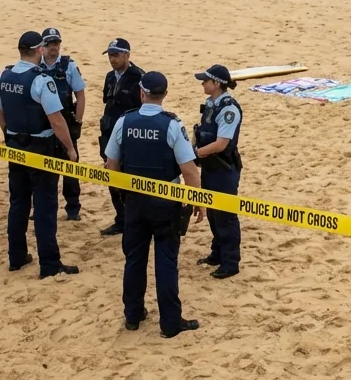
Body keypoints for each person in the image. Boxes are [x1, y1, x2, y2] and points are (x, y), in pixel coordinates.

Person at [105, 71, 205, 337]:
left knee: (134, 259)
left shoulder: (124, 122)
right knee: (166, 261)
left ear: (141, 93)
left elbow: (111, 164)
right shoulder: (172, 125)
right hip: (165, 202)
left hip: (134, 201)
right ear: (165, 95)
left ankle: (133, 315)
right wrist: (197, 201)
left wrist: (123, 192)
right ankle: (170, 323)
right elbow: (189, 170)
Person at [0, 31, 79, 278]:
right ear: (40, 49)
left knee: (18, 203)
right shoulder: (41, 80)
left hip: (15, 145)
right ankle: (49, 263)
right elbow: (57, 121)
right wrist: (70, 148)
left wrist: (10, 134)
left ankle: (16, 256)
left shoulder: (4, 76)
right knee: (44, 206)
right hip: (40, 148)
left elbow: (0, 113)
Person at [193, 64, 243, 279]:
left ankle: (230, 262)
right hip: (210, 167)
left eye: (205, 81)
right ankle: (218, 253)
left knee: (225, 216)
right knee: (213, 214)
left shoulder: (229, 109)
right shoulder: (211, 104)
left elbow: (221, 144)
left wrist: (196, 153)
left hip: (224, 168)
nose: (203, 84)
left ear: (216, 83)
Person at [39, 27, 86, 221]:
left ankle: (73, 208)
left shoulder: (69, 66)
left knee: (70, 166)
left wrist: (78, 121)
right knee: (41, 168)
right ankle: (40, 205)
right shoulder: (35, 65)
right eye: (50, 43)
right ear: (43, 45)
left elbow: (80, 95)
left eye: (56, 43)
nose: (54, 47)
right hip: (42, 124)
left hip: (65, 122)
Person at [98, 38, 143, 237]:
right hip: (109, 135)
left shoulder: (139, 78)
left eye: (116, 55)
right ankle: (121, 219)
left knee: (131, 180)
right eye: (110, 55)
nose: (112, 59)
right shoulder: (110, 77)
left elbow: (144, 111)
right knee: (112, 178)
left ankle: (135, 221)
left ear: (127, 55)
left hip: (129, 138)